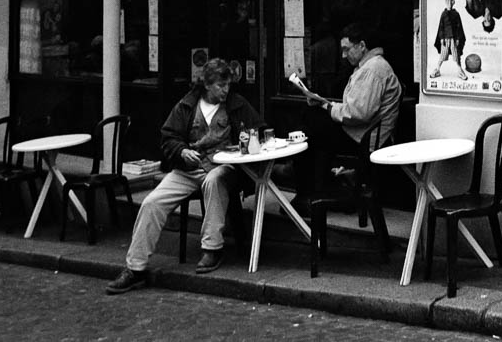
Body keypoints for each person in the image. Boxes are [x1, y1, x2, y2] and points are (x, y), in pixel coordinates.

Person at [106, 59, 260, 293]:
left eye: (228, 85)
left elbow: (258, 129)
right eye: (221, 85)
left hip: (223, 167)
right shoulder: (186, 106)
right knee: (151, 203)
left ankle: (212, 248)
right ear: (207, 85)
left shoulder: (237, 105)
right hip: (189, 169)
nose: (226, 90)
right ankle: (135, 268)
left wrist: (244, 143)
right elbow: (168, 136)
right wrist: (181, 151)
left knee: (214, 181)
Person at [292, 22, 402, 208]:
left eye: (346, 49)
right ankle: (316, 189)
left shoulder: (372, 69)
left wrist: (328, 108)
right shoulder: (369, 66)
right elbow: (357, 107)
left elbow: (359, 112)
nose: (343, 55)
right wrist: (327, 104)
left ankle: (309, 191)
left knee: (311, 130)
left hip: (366, 138)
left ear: (361, 45)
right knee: (312, 125)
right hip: (362, 132)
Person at [430, 0, 468, 80]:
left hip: (454, 39)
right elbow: (441, 27)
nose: (449, 2)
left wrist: (458, 38)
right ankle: (437, 69)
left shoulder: (456, 14)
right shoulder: (443, 14)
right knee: (443, 55)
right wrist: (441, 38)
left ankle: (460, 71)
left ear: (454, 1)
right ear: (445, 1)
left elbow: (459, 27)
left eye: (451, 0)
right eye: (447, 0)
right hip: (445, 38)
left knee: (456, 55)